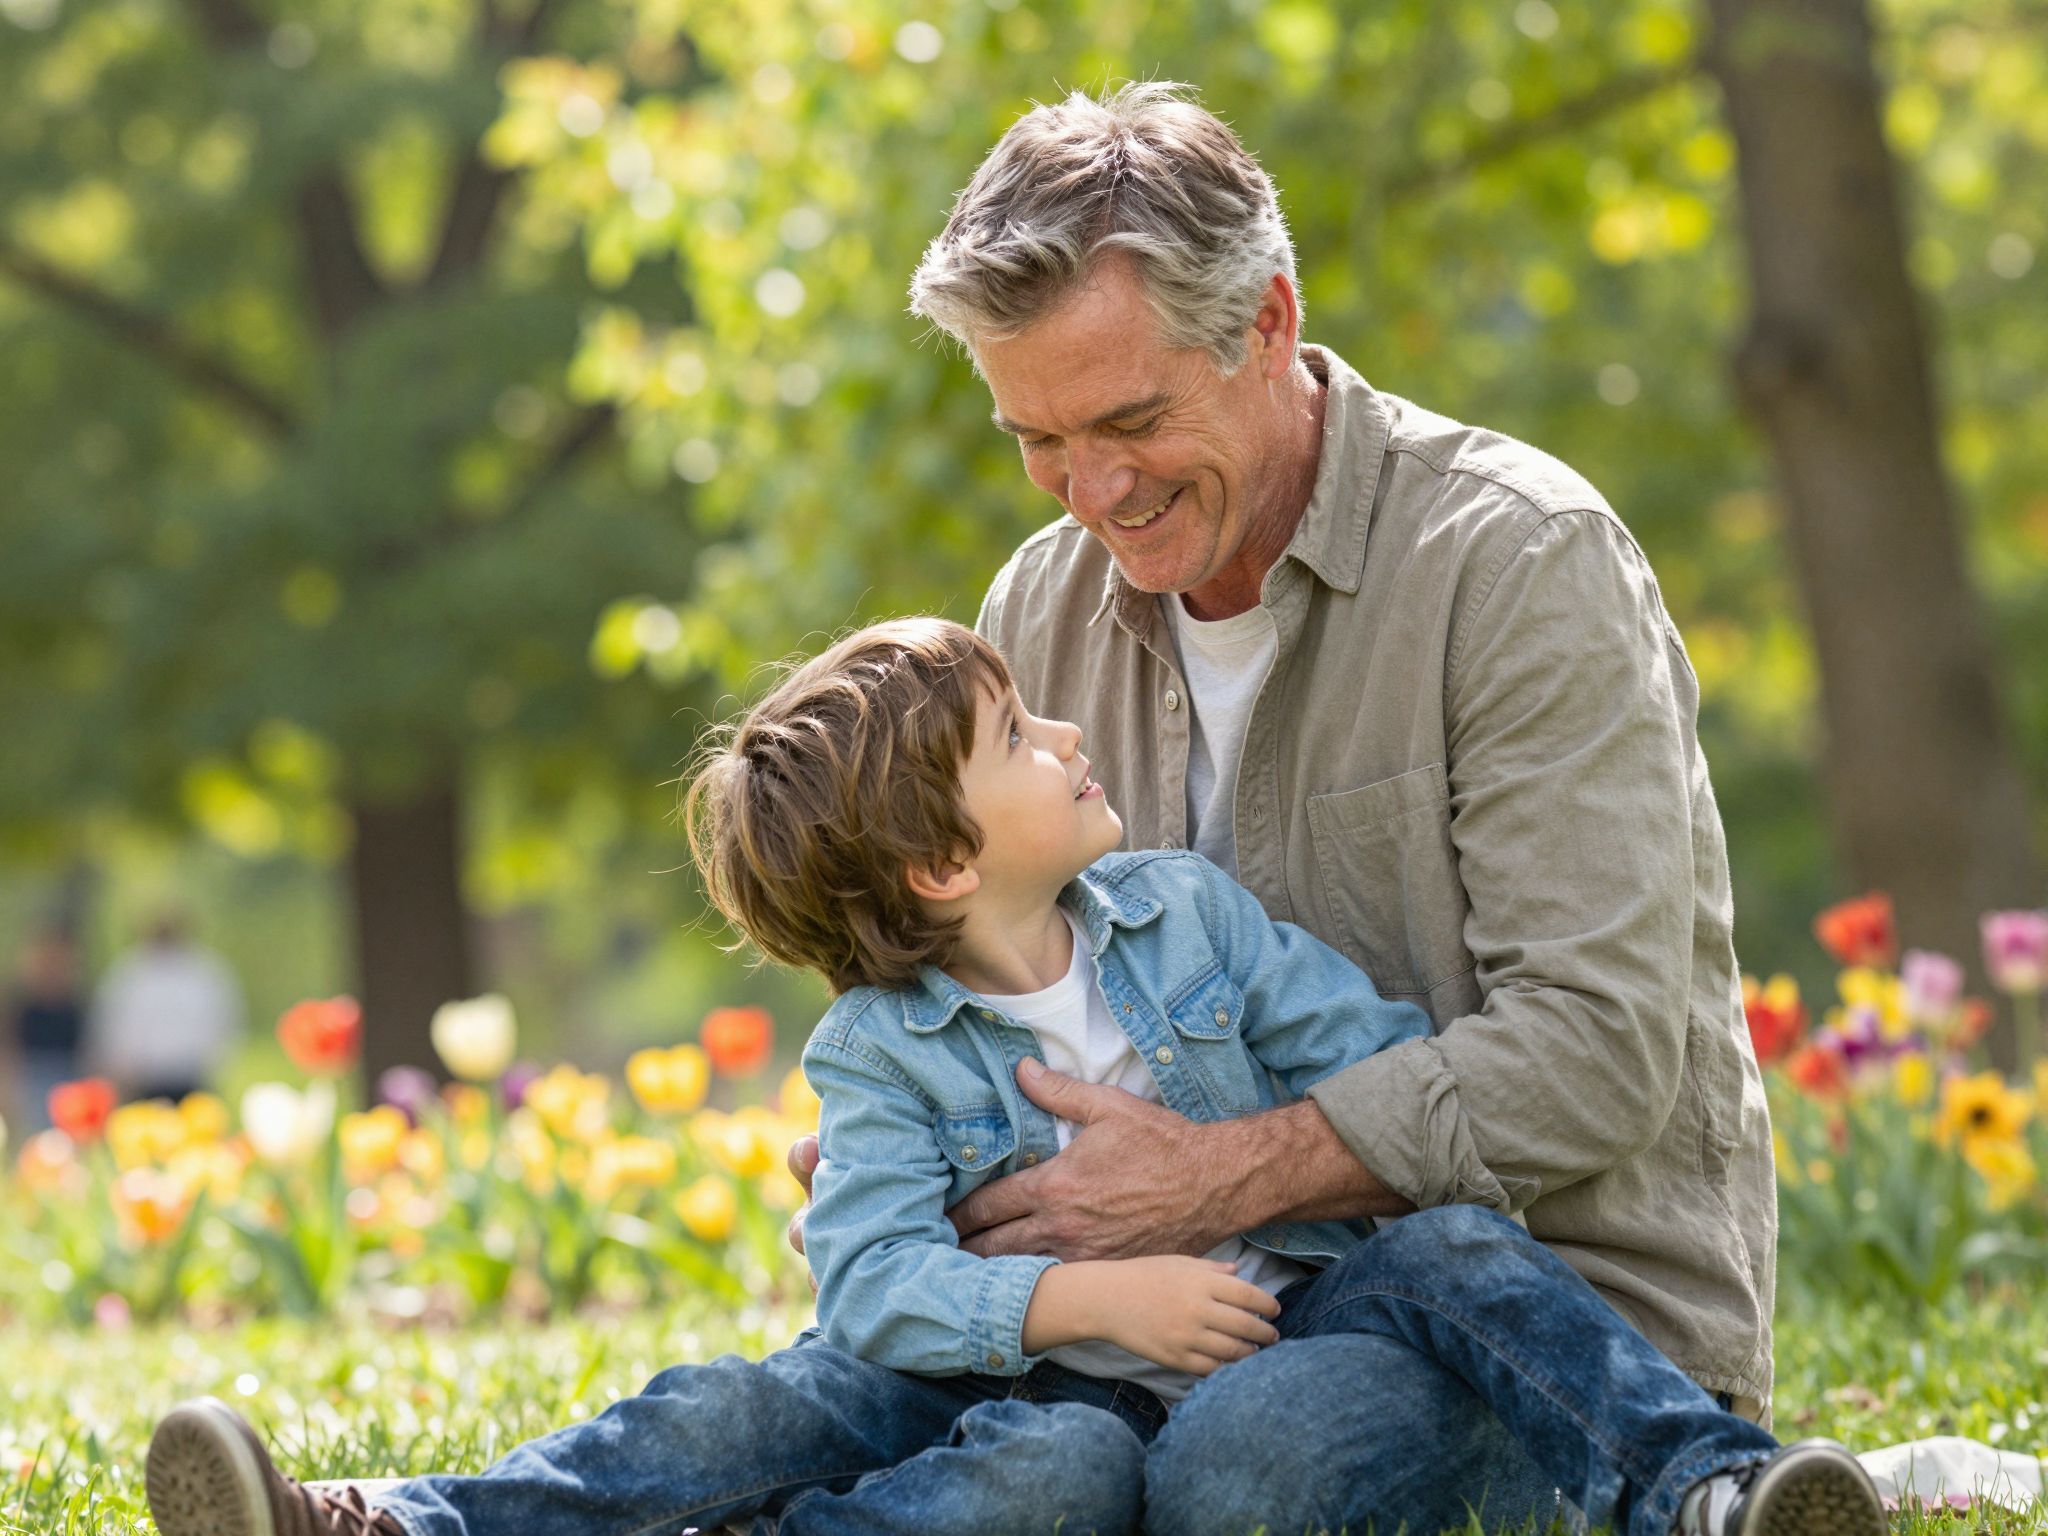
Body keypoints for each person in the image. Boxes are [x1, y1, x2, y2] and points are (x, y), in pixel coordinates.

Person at [144, 619, 1880, 1536]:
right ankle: (381, 1524)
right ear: (936, 870)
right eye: (1021, 741)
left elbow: (1375, 1067)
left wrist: (1219, 1168)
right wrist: (1070, 1297)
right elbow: (876, 1282)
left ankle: (1708, 1485)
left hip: (1290, 1326)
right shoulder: (880, 1056)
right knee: (762, 1413)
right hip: (1030, 1389)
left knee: (1461, 1260)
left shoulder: (1188, 920)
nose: (1068, 740)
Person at [757, 82, 1825, 1535]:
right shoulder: (1042, 604)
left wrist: (1215, 1180)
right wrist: (929, 1157)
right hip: (1137, 1330)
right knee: (817, 1411)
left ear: (1265, 325)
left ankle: (1711, 1490)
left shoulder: (1520, 566)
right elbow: (990, 979)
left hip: (1520, 1311)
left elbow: (1601, 1048)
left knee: (1249, 1478)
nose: (1093, 490)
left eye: (1130, 418)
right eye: (1039, 439)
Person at [86, 910, 243, 1103]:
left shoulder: (205, 972)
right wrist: (120, 1069)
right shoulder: (130, 973)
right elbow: (115, 1025)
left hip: (191, 1077)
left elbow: (223, 1023)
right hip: (144, 1080)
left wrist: (214, 1064)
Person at [5, 923, 87, 1135]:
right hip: (33, 1075)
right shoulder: (23, 1001)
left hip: (67, 1074)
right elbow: (12, 1041)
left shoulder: (73, 1000)